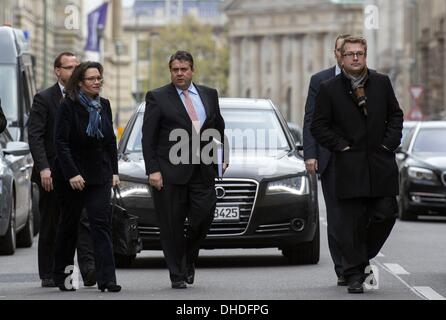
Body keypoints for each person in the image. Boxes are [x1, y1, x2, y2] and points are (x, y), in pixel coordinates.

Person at [311, 36, 403, 294]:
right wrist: (340, 145)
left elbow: (395, 114)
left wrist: (388, 143)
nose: (355, 58)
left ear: (365, 56)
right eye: (350, 53)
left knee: (386, 212)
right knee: (351, 222)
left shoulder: (381, 82)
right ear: (341, 57)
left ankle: (361, 256)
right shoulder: (329, 88)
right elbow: (318, 125)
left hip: (380, 162)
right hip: (349, 165)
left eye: (359, 53)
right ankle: (353, 275)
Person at [142, 50, 227, 289]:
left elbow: (218, 127)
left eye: (184, 69)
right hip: (170, 173)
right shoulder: (157, 97)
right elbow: (148, 138)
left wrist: (223, 156)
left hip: (203, 170)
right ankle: (177, 274)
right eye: (175, 70)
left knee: (204, 217)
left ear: (192, 70)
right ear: (170, 71)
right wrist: (153, 171)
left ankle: (188, 258)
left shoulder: (209, 95)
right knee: (172, 226)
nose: (180, 74)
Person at [28, 52, 96, 288]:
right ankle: (48, 272)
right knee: (52, 223)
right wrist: (44, 168)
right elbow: (35, 137)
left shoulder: (86, 98)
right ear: (57, 71)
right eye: (69, 67)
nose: (74, 71)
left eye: (77, 67)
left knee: (84, 221)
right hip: (53, 173)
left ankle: (88, 270)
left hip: (81, 171)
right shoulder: (44, 99)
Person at [52, 61, 121, 292]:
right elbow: (60, 143)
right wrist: (72, 173)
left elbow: (110, 141)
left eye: (99, 78)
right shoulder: (68, 105)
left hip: (99, 173)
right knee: (69, 225)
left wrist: (114, 171)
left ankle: (107, 279)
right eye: (92, 79)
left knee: (100, 223)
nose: (97, 82)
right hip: (71, 174)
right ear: (80, 83)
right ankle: (62, 277)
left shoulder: (104, 105)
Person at [303, 34, 350, 286]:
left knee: (363, 215)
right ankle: (342, 268)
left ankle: (358, 260)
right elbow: (310, 119)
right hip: (330, 158)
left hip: (360, 159)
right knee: (336, 215)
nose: (350, 56)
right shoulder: (320, 80)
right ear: (336, 53)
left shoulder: (372, 79)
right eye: (345, 51)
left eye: (355, 52)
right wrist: (310, 154)